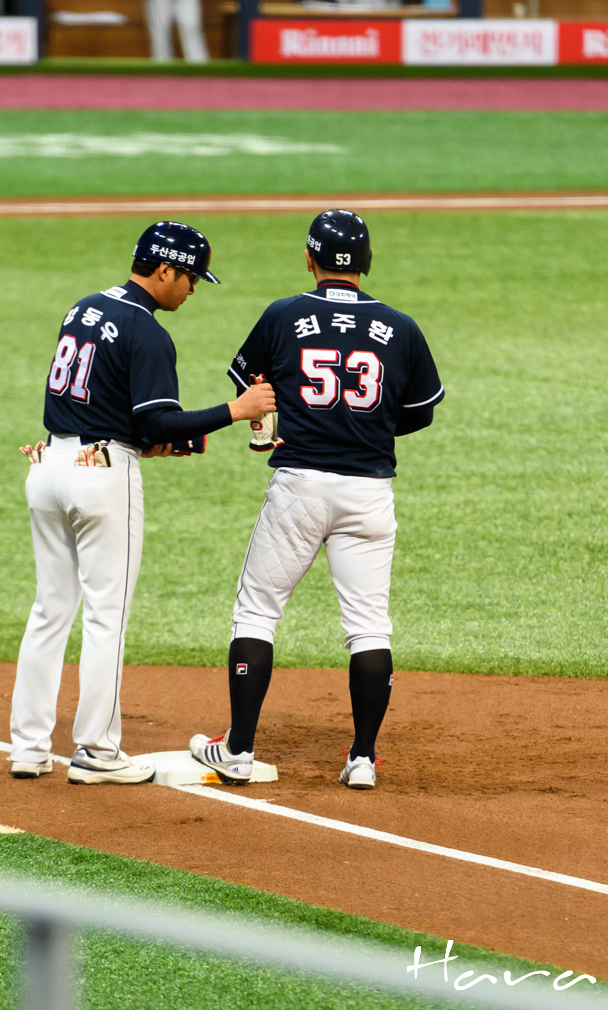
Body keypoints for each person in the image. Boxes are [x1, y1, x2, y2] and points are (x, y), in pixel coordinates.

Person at [10, 221, 275, 785]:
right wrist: (238, 410)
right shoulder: (147, 330)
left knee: (50, 610)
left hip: (49, 466)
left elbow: (113, 411)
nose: (193, 289)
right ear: (164, 270)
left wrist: (161, 441)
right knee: (109, 616)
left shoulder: (84, 308)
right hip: (101, 479)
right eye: (191, 278)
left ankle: (29, 748)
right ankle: (98, 752)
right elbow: (154, 419)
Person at [189, 210, 444, 790]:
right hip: (368, 490)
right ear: (368, 262)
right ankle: (362, 758)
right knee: (368, 626)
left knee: (258, 611)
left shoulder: (285, 314)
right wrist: (367, 429)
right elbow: (420, 410)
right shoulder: (399, 327)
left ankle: (239, 750)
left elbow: (248, 385)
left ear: (310, 259)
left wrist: (293, 419)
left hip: (299, 485)